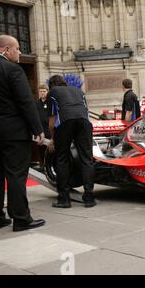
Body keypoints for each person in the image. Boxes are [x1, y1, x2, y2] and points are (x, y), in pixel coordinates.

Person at [0, 34, 46, 232]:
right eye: (17, 49)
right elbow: (25, 102)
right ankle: (21, 218)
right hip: (13, 132)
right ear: (6, 50)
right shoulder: (12, 69)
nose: (20, 52)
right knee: (16, 174)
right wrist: (37, 128)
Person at [47, 75, 96, 208]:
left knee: (62, 158)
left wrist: (52, 138)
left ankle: (64, 199)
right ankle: (89, 197)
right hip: (84, 122)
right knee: (87, 158)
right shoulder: (79, 91)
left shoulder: (52, 93)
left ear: (51, 85)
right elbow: (86, 112)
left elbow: (52, 121)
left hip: (65, 121)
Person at [35, 84, 51, 169]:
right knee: (41, 149)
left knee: (50, 149)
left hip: (49, 130)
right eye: (40, 91)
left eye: (44, 91)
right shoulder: (36, 103)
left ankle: (49, 166)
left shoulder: (50, 103)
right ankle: (42, 166)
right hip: (40, 130)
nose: (42, 93)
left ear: (47, 91)